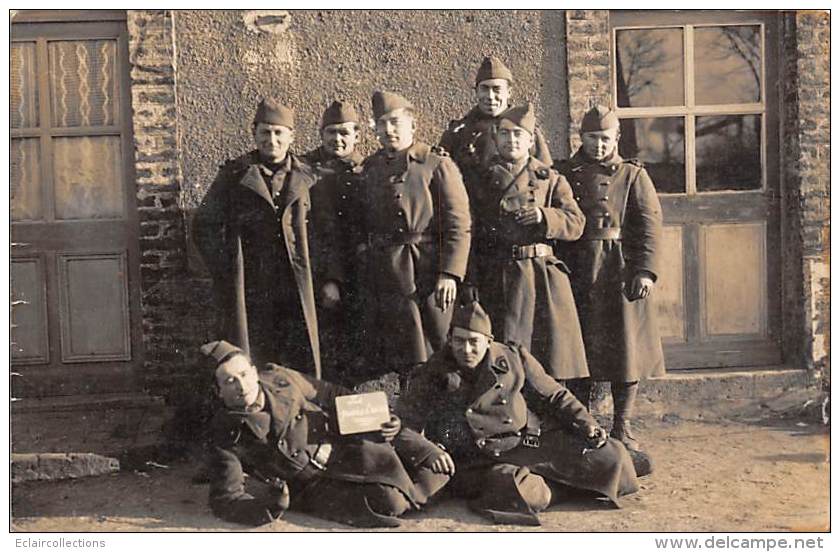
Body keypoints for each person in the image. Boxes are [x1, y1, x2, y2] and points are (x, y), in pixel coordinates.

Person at [396, 301, 644, 526]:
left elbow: (555, 396)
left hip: (524, 445)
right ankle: (564, 487)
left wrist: (586, 423)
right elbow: (403, 424)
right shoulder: (433, 372)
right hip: (477, 460)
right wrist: (429, 451)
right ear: (450, 339)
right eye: (459, 341)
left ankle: (552, 482)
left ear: (489, 341)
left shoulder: (513, 358)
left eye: (474, 342)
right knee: (512, 487)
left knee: (612, 454)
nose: (467, 349)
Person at [202, 340, 450, 527]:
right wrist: (269, 506)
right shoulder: (226, 434)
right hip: (315, 485)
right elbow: (227, 499)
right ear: (218, 391)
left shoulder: (280, 378)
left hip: (342, 446)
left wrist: (374, 412)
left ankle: (419, 453)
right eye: (229, 381)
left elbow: (330, 393)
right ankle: (418, 490)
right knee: (389, 502)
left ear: (254, 372)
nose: (242, 386)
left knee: (435, 467)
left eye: (244, 375)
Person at [554, 105, 666, 452]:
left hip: (618, 270)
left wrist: (645, 271)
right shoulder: (565, 172)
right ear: (581, 138)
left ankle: (623, 425)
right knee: (579, 349)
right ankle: (581, 422)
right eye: (591, 138)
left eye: (604, 139)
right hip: (576, 267)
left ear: (616, 138)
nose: (598, 145)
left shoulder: (632, 175)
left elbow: (648, 226)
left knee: (625, 349)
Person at [192, 98, 326, 376]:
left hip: (298, 281)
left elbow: (327, 231)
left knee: (300, 353)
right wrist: (228, 267)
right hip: (252, 283)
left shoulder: (310, 177)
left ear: (291, 136)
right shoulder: (234, 175)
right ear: (254, 133)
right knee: (255, 351)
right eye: (265, 132)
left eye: (279, 133)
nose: (272, 140)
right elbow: (204, 225)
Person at [469, 103, 588, 382]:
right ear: (496, 138)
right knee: (505, 353)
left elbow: (576, 222)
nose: (512, 141)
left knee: (548, 354)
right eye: (506, 134)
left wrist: (544, 216)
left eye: (519, 135)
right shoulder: (481, 180)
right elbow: (471, 233)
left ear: (530, 140)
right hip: (500, 275)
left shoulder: (550, 178)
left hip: (541, 276)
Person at [358, 90, 471, 379]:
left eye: (395, 122)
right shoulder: (370, 169)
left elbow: (458, 224)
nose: (388, 130)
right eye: (381, 124)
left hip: (425, 273)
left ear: (412, 124)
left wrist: (450, 273)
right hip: (385, 276)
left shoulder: (435, 165)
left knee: (437, 355)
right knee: (400, 357)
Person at [439, 55, 553, 299]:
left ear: (509, 92)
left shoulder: (525, 130)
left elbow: (545, 181)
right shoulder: (459, 133)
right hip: (474, 232)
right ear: (476, 91)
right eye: (484, 89)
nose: (490, 97)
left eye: (497, 90)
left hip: (516, 233)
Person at [302, 100, 366, 383]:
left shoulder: (368, 172)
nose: (338, 139)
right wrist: (329, 277)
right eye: (331, 133)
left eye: (344, 133)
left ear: (356, 136)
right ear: (321, 135)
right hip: (320, 270)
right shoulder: (305, 171)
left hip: (361, 273)